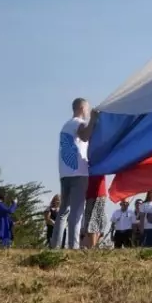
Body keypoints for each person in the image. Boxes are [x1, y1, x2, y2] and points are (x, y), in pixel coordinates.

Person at [51, 97, 100, 250]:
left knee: (63, 211)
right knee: (77, 212)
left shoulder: (65, 125)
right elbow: (85, 135)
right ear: (81, 108)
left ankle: (56, 245)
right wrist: (93, 120)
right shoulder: (78, 123)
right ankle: (74, 246)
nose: (87, 112)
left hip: (65, 173)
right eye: (87, 109)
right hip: (78, 172)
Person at [82, 175, 108, 250]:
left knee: (95, 221)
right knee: (93, 221)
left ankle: (93, 246)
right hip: (92, 194)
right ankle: (93, 246)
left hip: (98, 194)